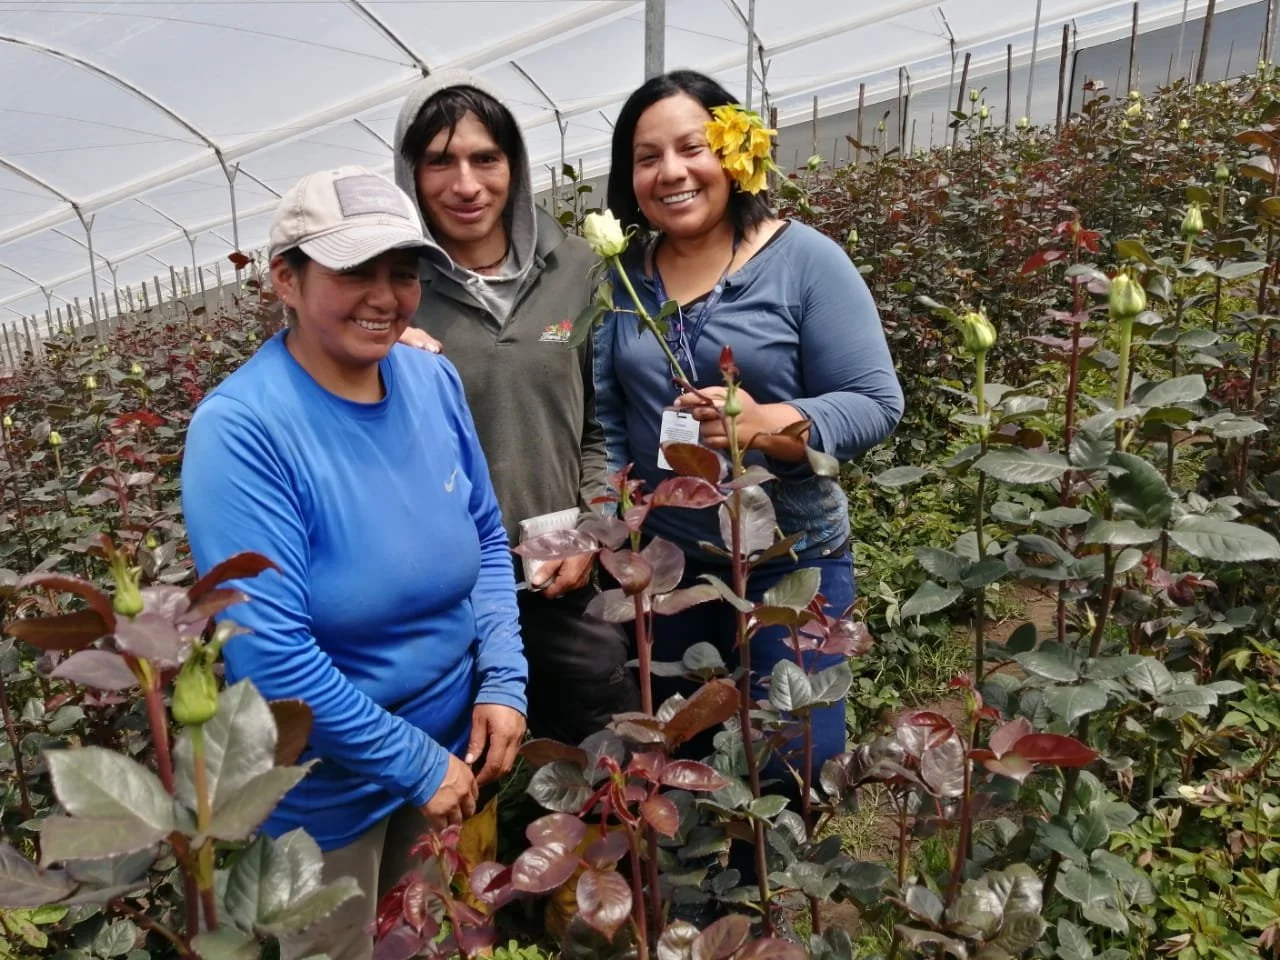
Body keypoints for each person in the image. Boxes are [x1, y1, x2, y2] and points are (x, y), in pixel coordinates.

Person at [180, 166, 527, 960]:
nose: (385, 295)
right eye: (353, 271)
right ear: (285, 280)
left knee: (434, 937)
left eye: (402, 272)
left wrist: (503, 680)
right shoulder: (242, 431)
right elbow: (269, 661)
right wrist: (412, 762)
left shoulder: (431, 378)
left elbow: (485, 539)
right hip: (325, 793)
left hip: (452, 748)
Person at [594, 71, 905, 786]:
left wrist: (766, 424)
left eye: (691, 148)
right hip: (670, 567)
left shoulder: (803, 260)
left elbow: (875, 401)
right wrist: (616, 522)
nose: (671, 172)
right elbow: (609, 415)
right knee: (683, 754)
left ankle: (780, 899)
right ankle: (697, 902)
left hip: (789, 557)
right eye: (647, 158)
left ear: (735, 155)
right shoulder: (623, 282)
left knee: (796, 759)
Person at [391, 71, 640, 746]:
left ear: (515, 165)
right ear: (409, 173)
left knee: (602, 757)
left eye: (485, 159)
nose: (465, 185)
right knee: (470, 774)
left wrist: (594, 529)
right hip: (450, 597)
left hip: (565, 573)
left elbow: (600, 424)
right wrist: (382, 343)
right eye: (439, 161)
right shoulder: (390, 295)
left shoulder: (579, 270)